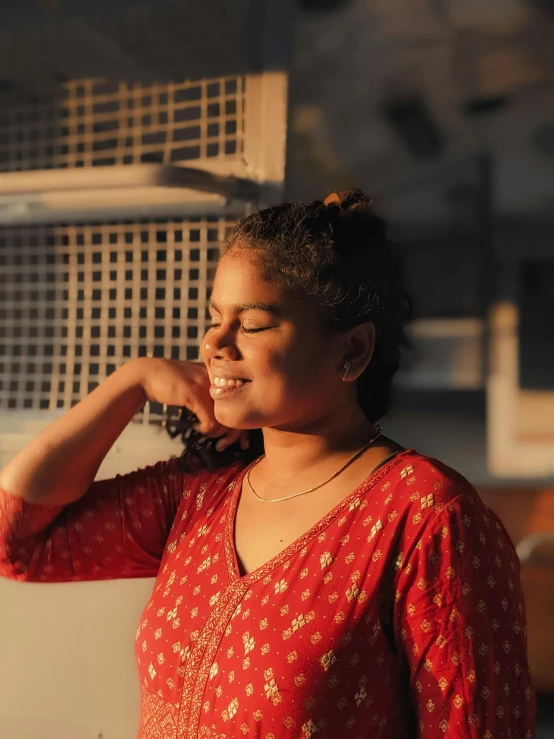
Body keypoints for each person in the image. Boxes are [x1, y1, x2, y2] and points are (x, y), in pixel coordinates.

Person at [0, 191, 535, 738]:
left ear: (351, 351)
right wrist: (131, 381)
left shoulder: (425, 515)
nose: (214, 343)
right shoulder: (201, 494)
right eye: (213, 319)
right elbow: (15, 541)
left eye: (251, 325)